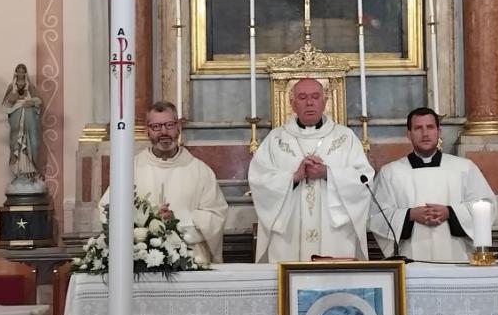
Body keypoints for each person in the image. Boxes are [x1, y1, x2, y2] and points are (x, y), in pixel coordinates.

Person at [248, 78, 374, 262]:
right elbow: (259, 181)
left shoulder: (345, 138)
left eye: (315, 97)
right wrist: (294, 177)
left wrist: (328, 174)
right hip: (289, 234)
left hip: (334, 233)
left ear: (324, 102)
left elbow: (364, 180)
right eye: (302, 97)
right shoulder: (276, 139)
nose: (309, 102)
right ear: (292, 103)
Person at [99, 101, 228, 263]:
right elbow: (107, 210)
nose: (164, 132)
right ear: (147, 131)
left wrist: (177, 220)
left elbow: (216, 216)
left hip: (190, 260)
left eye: (169, 125)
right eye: (156, 127)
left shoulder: (201, 171)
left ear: (178, 127)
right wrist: (143, 228)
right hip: (140, 260)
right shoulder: (130, 169)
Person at [369, 107, 496, 261]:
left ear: (438, 132)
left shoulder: (464, 168)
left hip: (456, 257)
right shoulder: (390, 173)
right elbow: (377, 216)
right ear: (409, 134)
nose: (425, 133)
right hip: (410, 259)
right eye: (418, 128)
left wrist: (450, 213)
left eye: (430, 127)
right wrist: (410, 215)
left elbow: (485, 206)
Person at [2, 63, 43, 181]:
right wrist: (14, 97)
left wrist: (31, 102)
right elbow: (5, 104)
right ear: (16, 73)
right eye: (19, 71)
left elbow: (39, 101)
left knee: (31, 142)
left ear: (25, 73)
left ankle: (31, 171)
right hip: (16, 118)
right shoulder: (12, 86)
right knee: (16, 143)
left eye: (22, 71)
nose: (20, 73)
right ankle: (18, 172)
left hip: (29, 118)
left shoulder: (30, 86)